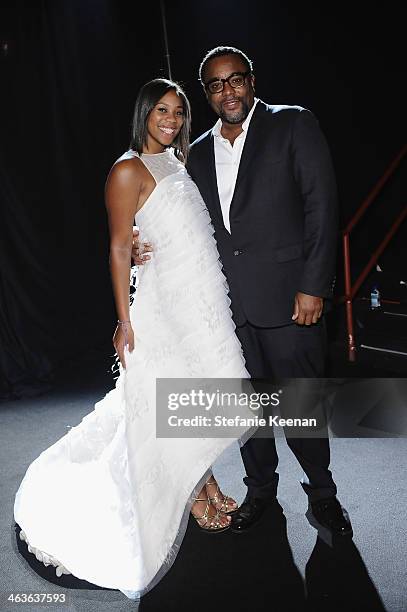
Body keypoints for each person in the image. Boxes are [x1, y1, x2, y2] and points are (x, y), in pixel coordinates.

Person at [14, 78, 253, 600]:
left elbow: (172, 234)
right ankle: (191, 496)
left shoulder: (177, 162)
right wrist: (124, 320)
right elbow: (120, 247)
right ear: (144, 112)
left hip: (196, 303)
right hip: (159, 309)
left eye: (179, 111)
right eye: (161, 110)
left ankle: (202, 480)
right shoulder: (127, 169)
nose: (170, 119)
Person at [135, 46, 352, 539]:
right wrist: (134, 241)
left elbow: (322, 206)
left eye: (235, 80)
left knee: (299, 405)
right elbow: (182, 223)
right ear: (206, 94)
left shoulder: (293, 124)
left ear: (251, 81)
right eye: (215, 84)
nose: (227, 91)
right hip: (225, 308)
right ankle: (260, 491)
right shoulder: (197, 151)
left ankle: (323, 496)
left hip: (290, 300)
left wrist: (314, 285)